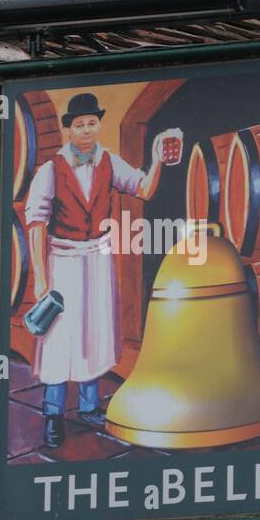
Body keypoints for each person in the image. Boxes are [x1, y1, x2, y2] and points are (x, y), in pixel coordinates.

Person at [24, 92, 165, 448]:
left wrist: (158, 158)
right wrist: (41, 278)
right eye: (80, 125)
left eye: (92, 123)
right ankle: (53, 413)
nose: (87, 130)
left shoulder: (109, 162)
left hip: (98, 256)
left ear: (98, 125)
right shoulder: (50, 170)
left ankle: (88, 406)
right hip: (63, 258)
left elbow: (144, 189)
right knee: (58, 338)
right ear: (69, 129)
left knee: (94, 333)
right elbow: (36, 222)